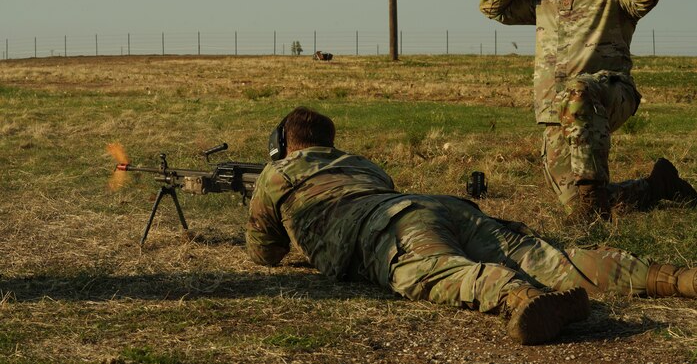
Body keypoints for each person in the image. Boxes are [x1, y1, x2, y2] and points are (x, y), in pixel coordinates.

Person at [246, 106, 697, 346]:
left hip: (385, 229)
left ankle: (521, 298)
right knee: (547, 257)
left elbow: (266, 252)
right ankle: (676, 278)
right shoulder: (362, 164)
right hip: (435, 205)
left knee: (439, 271)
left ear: (281, 146)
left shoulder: (277, 173)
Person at [479, 0, 696, 220]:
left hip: (607, 94)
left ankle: (593, 206)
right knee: (582, 205)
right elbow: (491, 8)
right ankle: (658, 186)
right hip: (555, 112)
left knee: (579, 90)